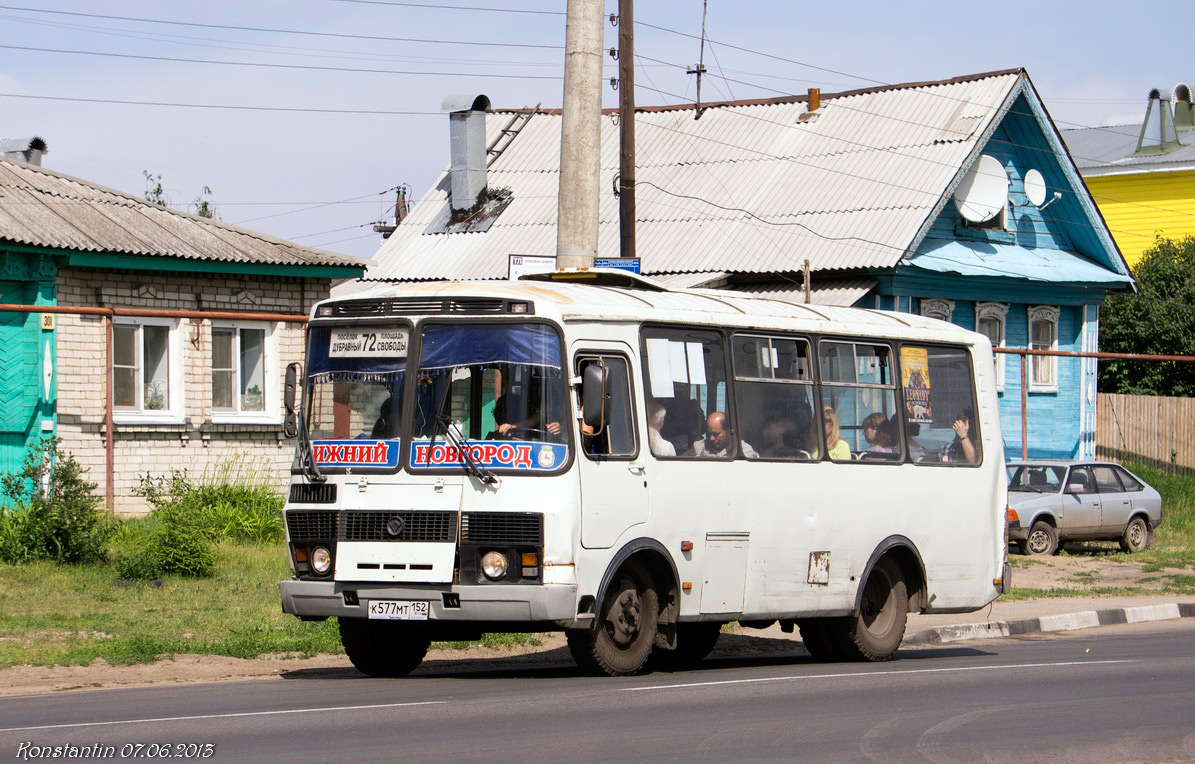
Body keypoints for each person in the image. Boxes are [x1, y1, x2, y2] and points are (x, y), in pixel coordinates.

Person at [686, 411, 757, 458]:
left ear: (729, 431)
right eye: (709, 434)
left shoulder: (743, 451)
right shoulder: (698, 448)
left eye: (716, 434)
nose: (711, 438)